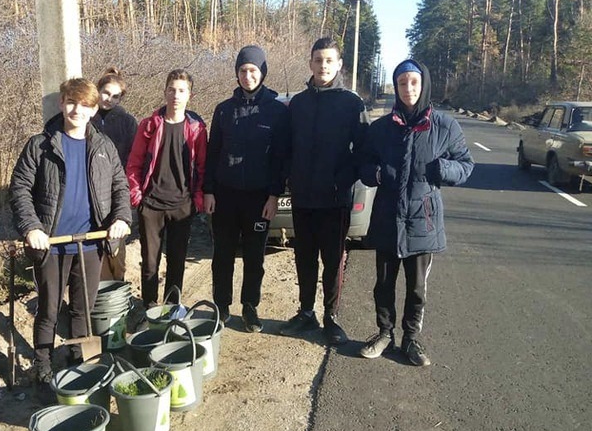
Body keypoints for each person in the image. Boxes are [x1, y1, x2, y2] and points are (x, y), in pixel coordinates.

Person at [10, 78, 131, 383]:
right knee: (49, 309)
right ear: (62, 104)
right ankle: (43, 362)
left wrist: (121, 218)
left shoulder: (103, 146)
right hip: (51, 244)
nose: (78, 110)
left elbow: (120, 186)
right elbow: (20, 188)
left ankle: (80, 358)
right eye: (72, 103)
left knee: (83, 309)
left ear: (93, 110)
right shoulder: (41, 145)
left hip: (90, 244)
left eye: (85, 105)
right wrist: (32, 227)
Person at [358, 59, 473, 366]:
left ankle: (411, 339)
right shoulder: (381, 129)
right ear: (395, 87)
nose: (408, 89)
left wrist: (443, 169)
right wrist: (377, 174)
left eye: (413, 82)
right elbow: (363, 165)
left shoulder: (445, 126)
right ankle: (384, 333)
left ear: (423, 85)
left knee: (417, 287)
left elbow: (466, 165)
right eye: (402, 83)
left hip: (424, 220)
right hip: (386, 216)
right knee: (383, 283)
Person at [279, 36, 369, 345]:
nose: (323, 66)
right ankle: (306, 313)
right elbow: (286, 147)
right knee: (304, 257)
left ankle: (331, 317)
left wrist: (344, 180)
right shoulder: (299, 104)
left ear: (339, 64)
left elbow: (364, 149)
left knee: (332, 261)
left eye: (329, 60)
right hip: (303, 196)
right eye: (318, 60)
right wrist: (289, 178)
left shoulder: (351, 103)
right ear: (310, 64)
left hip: (334, 199)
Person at [203, 45, 288, 332]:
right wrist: (208, 190)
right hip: (225, 195)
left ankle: (250, 307)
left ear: (262, 72)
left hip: (258, 197)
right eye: (242, 71)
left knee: (254, 257)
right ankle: (222, 306)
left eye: (253, 70)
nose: (247, 76)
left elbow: (280, 157)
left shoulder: (277, 111)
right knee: (222, 254)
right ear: (237, 74)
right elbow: (212, 152)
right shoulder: (224, 110)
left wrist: (274, 195)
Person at [126, 69, 207, 309]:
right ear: (164, 92)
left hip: (182, 205)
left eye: (181, 90)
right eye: (171, 89)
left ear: (189, 95)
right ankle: (149, 307)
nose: (175, 95)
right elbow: (134, 163)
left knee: (177, 261)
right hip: (151, 205)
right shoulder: (149, 125)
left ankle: (172, 309)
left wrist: (198, 199)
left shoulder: (197, 128)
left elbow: (203, 166)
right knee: (150, 262)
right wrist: (136, 195)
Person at [91, 68, 138, 281]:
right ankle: (99, 290)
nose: (109, 99)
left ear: (121, 98)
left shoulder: (128, 122)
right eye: (106, 93)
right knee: (94, 243)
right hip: (90, 189)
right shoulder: (86, 117)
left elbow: (134, 157)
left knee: (116, 242)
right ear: (97, 90)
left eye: (115, 96)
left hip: (117, 189)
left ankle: (118, 286)